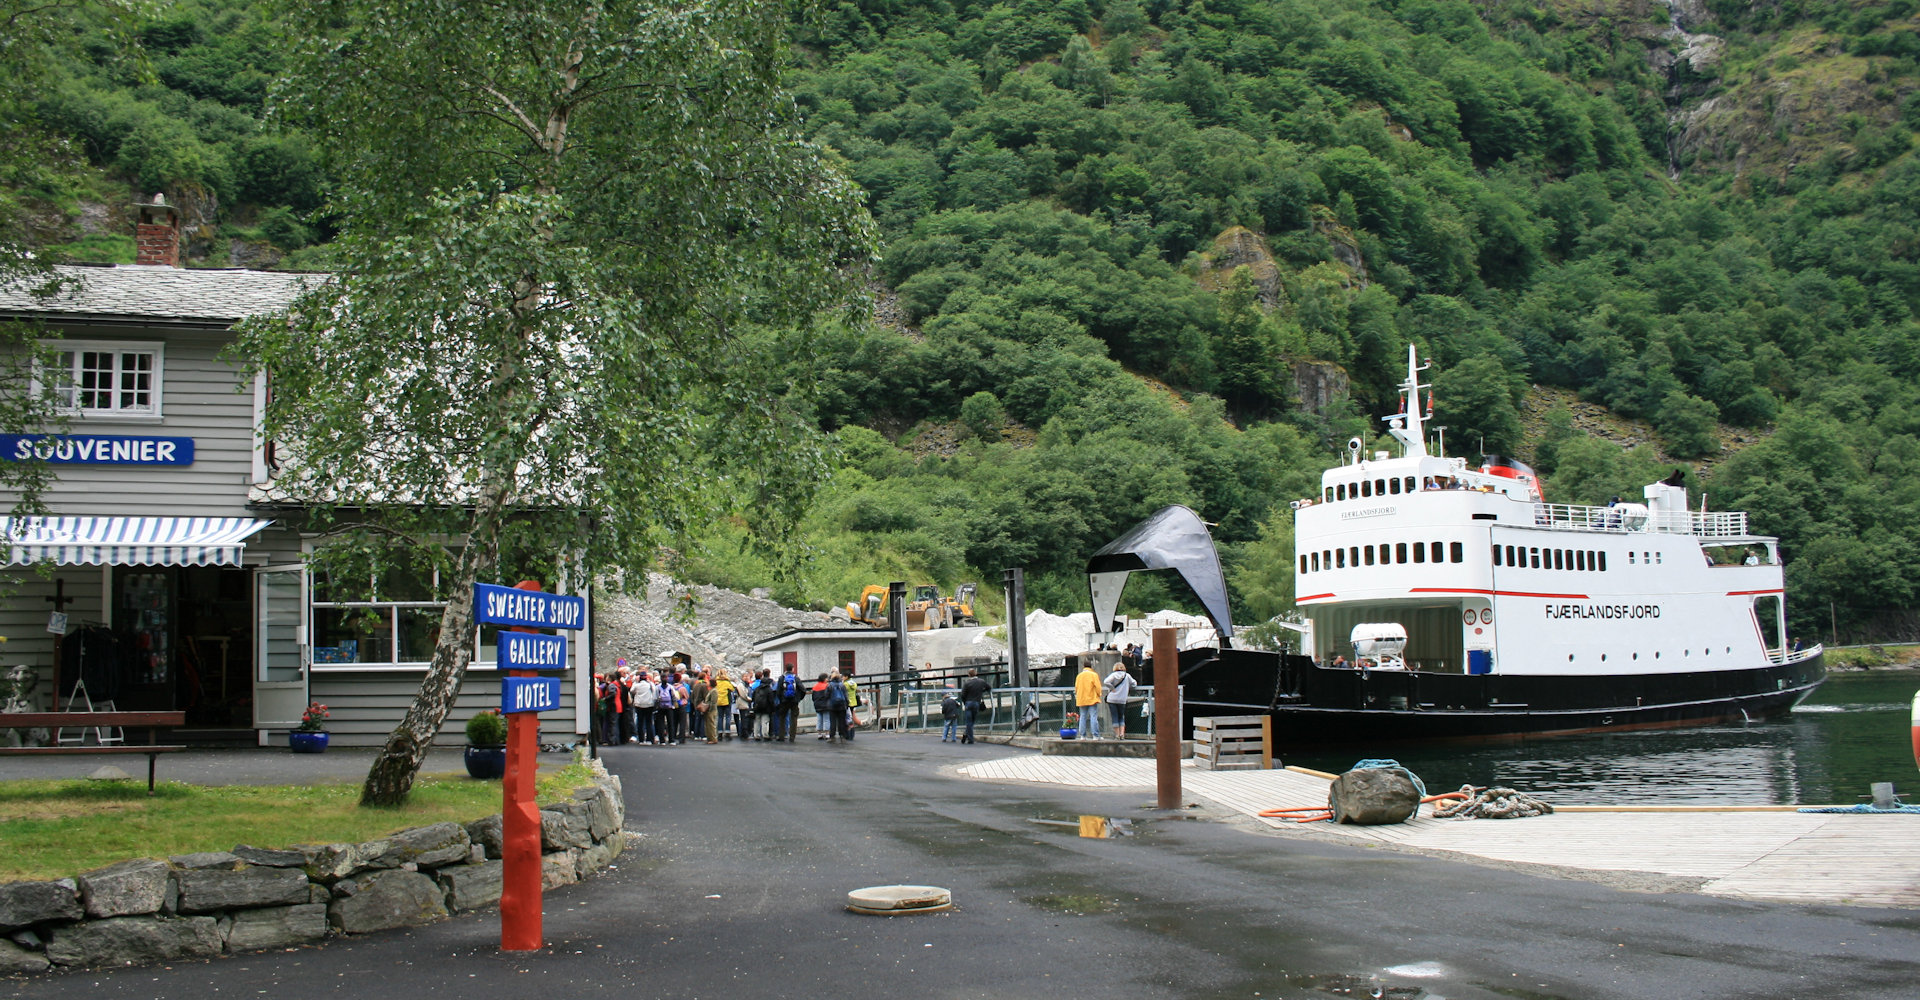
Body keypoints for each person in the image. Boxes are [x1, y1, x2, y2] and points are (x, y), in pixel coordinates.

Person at [1102, 661, 1134, 740]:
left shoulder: (1113, 675)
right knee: (1121, 717)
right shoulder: (1127, 676)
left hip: (1112, 699)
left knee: (1114, 716)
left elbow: (1106, 682)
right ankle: (1122, 734)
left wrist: (1112, 688)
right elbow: (1134, 683)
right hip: (1122, 699)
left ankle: (1117, 735)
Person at [959, 668, 990, 744]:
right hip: (976, 703)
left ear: (969, 675)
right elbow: (989, 687)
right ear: (976, 673)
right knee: (972, 721)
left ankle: (969, 738)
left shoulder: (967, 683)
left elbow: (962, 695)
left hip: (968, 703)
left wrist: (965, 702)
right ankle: (967, 734)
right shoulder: (981, 681)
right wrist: (981, 691)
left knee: (968, 721)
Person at [1074, 659, 1103, 739]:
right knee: (1093, 716)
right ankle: (1095, 735)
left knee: (1082, 716)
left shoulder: (1079, 676)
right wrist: (1099, 694)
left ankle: (1082, 736)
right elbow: (1098, 687)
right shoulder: (1094, 675)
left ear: (1084, 666)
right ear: (1091, 666)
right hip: (1092, 698)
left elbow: (1076, 688)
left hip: (1081, 699)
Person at [631, 669, 659, 745]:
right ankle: (649, 739)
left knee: (640, 722)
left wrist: (635, 682)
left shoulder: (637, 685)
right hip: (649, 704)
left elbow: (632, 691)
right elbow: (654, 692)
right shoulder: (650, 685)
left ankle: (641, 739)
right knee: (649, 722)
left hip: (639, 704)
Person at [777, 664, 802, 742]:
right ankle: (792, 737)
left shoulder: (781, 678)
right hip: (794, 701)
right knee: (793, 718)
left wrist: (781, 699)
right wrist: (798, 698)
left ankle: (781, 736)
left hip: (784, 701)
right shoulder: (796, 678)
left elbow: (778, 690)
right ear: (793, 669)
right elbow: (802, 689)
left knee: (782, 718)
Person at [826, 671, 850, 743]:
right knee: (841, 721)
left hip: (832, 705)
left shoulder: (830, 685)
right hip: (842, 705)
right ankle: (842, 736)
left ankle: (832, 736)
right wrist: (847, 704)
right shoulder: (842, 685)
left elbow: (826, 695)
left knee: (832, 721)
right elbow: (846, 695)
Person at [715, 669, 737, 740]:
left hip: (718, 701)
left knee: (720, 717)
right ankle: (727, 732)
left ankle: (720, 733)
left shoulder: (716, 682)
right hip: (726, 701)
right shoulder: (726, 682)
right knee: (728, 717)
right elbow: (732, 689)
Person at [810, 672, 833, 739]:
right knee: (826, 719)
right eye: (827, 678)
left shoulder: (815, 686)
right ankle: (827, 734)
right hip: (826, 705)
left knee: (819, 719)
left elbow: (813, 697)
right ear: (824, 679)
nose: (827, 679)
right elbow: (828, 695)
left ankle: (819, 734)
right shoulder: (827, 686)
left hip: (817, 705)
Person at [842, 670, 861, 741]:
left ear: (846, 677)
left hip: (847, 702)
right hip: (853, 702)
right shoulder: (853, 682)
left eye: (843, 676)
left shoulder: (845, 684)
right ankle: (852, 734)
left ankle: (847, 734)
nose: (842, 678)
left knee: (847, 718)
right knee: (851, 717)